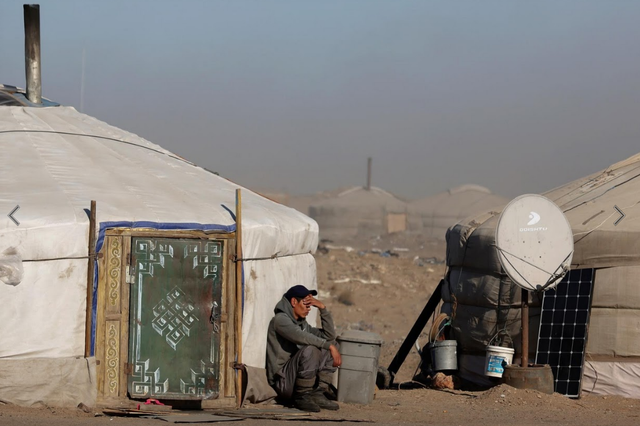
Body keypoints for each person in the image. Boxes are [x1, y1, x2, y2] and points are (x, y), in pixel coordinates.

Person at [266, 285, 342, 412]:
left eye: (310, 305)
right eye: (306, 304)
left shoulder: (303, 324)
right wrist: (329, 346)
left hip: (294, 378)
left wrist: (323, 309)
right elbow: (302, 337)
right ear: (294, 302)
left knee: (333, 344)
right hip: (283, 382)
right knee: (311, 349)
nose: (309, 309)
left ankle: (318, 392)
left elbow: (329, 337)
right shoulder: (280, 320)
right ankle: (301, 395)